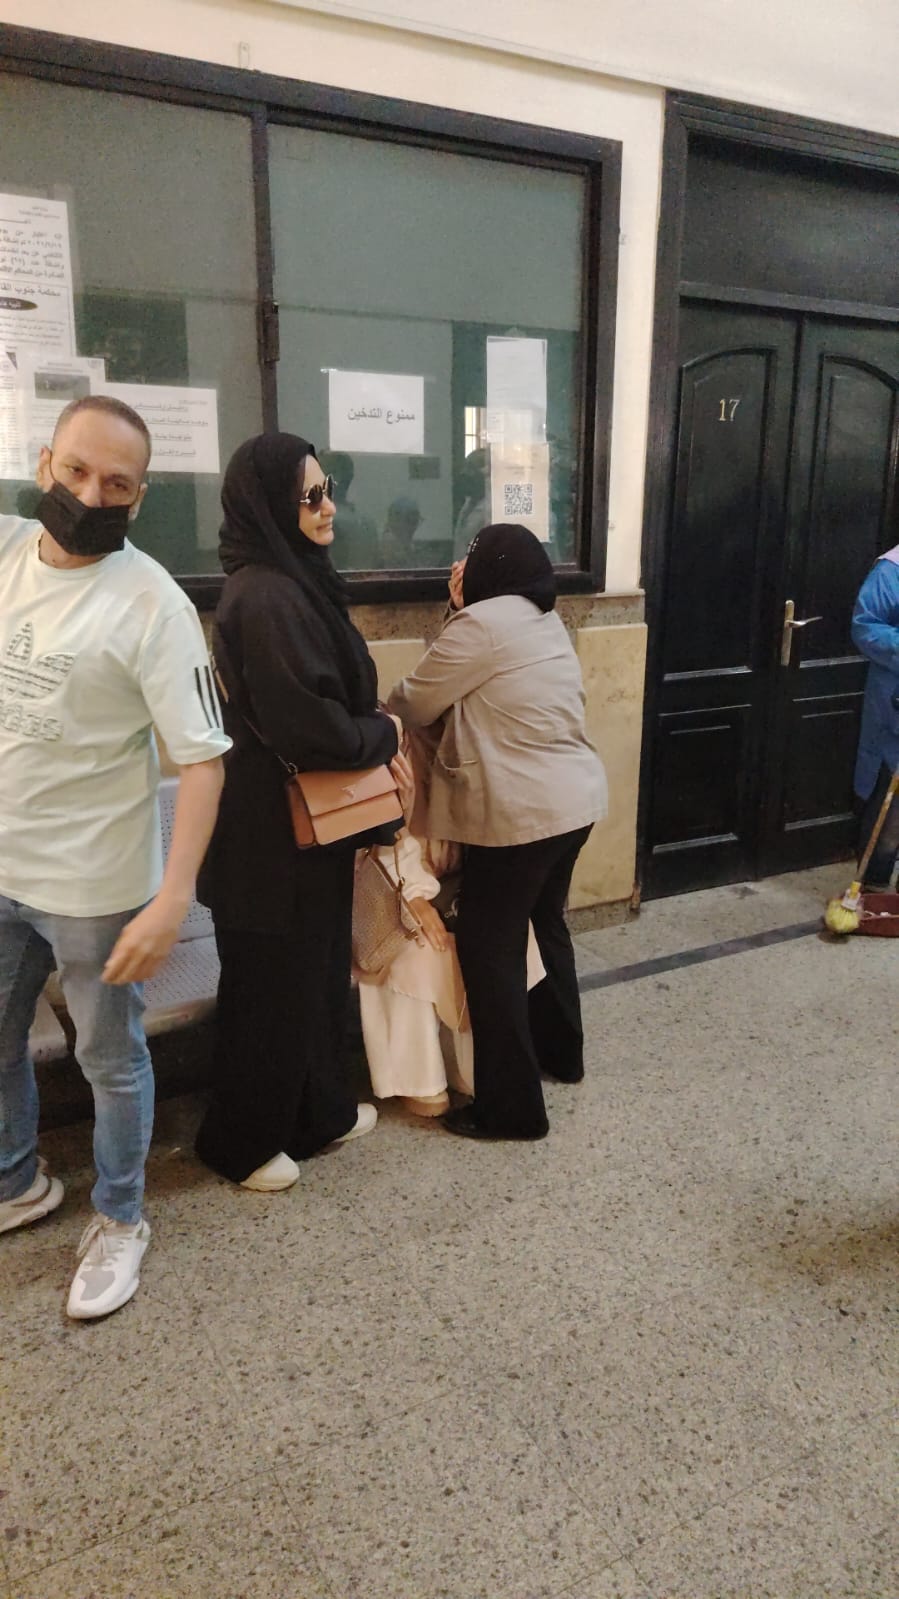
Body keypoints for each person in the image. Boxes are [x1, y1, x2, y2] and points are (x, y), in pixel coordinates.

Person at [0, 395, 229, 1318]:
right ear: (44, 462)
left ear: (140, 496)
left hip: (94, 887)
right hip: (3, 865)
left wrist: (172, 899)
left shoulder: (153, 604)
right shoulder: (9, 553)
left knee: (109, 1058)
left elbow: (205, 762)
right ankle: (17, 1180)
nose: (91, 495)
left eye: (117, 483)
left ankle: (121, 1217)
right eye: (76, 470)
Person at [195, 433, 403, 1192]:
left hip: (305, 831)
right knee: (270, 990)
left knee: (313, 978)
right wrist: (383, 733)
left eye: (327, 490)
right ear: (269, 507)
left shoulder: (292, 581)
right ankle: (242, 1143)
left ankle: (319, 1113)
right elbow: (308, 727)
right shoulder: (265, 594)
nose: (327, 508)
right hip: (269, 837)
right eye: (309, 497)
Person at [388, 523, 607, 1141]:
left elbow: (414, 702)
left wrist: (458, 611)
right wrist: (461, 610)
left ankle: (512, 1110)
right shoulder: (544, 620)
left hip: (518, 816)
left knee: (490, 948)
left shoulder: (480, 625)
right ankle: (562, 1054)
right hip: (576, 803)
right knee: (547, 921)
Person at [356, 825, 546, 1115]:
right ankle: (417, 1077)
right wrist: (413, 894)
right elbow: (379, 843)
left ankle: (472, 1064)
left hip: (461, 875)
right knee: (417, 946)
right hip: (387, 879)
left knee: (499, 940)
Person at [851, 545, 899, 886]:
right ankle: (874, 888)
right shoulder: (891, 570)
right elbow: (865, 627)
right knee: (890, 806)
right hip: (894, 707)